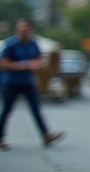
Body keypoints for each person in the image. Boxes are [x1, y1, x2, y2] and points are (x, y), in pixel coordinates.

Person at [0, 20, 65, 150]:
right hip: (11, 82)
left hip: (27, 82)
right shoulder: (11, 45)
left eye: (27, 30)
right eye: (22, 30)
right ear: (18, 31)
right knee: (7, 110)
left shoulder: (33, 44)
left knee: (36, 108)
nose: (24, 33)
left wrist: (37, 64)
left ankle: (46, 135)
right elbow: (3, 63)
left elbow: (39, 59)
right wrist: (21, 65)